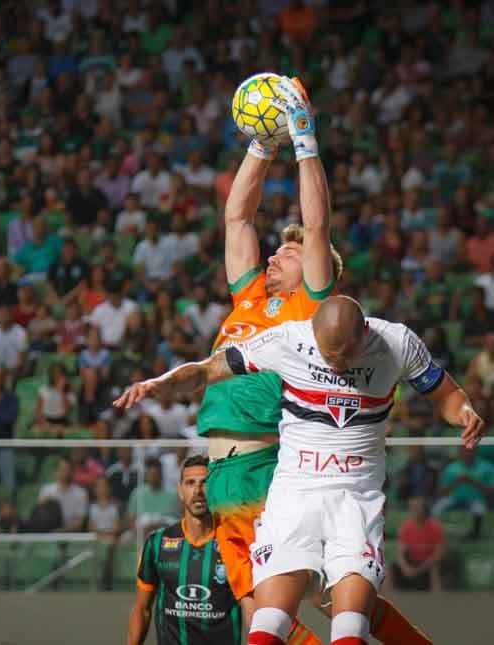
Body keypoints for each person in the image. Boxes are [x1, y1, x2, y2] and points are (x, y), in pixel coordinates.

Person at [184, 77, 423, 645]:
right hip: (224, 472)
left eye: (288, 253)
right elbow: (237, 220)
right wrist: (259, 146)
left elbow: (317, 227)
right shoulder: (248, 300)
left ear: (320, 275)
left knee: (278, 606)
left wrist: (301, 138)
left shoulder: (309, 306)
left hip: (272, 467)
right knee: (295, 603)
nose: (275, 254)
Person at [115, 296, 485, 645]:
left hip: (356, 498)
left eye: (345, 355)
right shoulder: (287, 339)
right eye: (329, 355)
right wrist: (159, 383)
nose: (337, 364)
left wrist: (464, 413)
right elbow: (207, 369)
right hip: (294, 494)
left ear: (365, 334)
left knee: (351, 620)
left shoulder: (397, 343)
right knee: (269, 616)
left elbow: (446, 395)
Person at [128, 455, 241, 645]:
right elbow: (142, 608)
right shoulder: (157, 543)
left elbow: (254, 609)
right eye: (190, 483)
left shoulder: (236, 543)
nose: (198, 491)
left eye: (205, 483)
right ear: (180, 491)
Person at [392, 497, 445, 592]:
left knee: (435, 569)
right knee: (388, 568)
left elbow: (437, 555)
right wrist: (406, 568)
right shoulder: (406, 527)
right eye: (412, 508)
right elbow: (400, 553)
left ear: (424, 510)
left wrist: (418, 569)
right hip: (411, 561)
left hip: (428, 563)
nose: (413, 511)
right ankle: (389, 598)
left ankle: (437, 599)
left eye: (417, 508)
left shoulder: (435, 527)